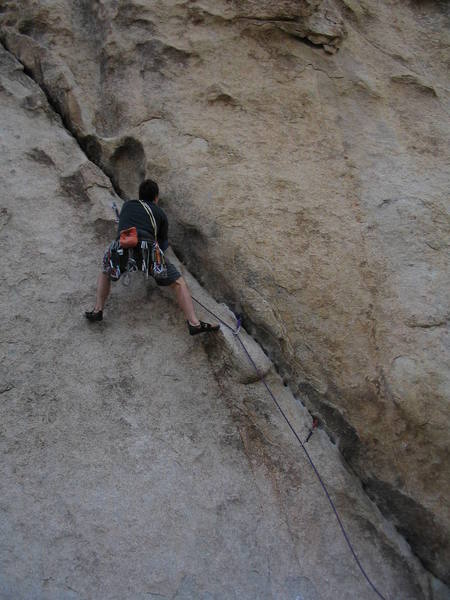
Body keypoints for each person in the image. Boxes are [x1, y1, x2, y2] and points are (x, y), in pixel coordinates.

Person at [85, 179, 220, 335]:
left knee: (106, 272)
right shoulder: (160, 213)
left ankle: (98, 309)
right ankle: (193, 322)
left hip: (123, 246)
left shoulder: (128, 205)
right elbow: (162, 244)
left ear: (140, 195)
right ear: (156, 197)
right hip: (147, 247)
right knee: (178, 283)